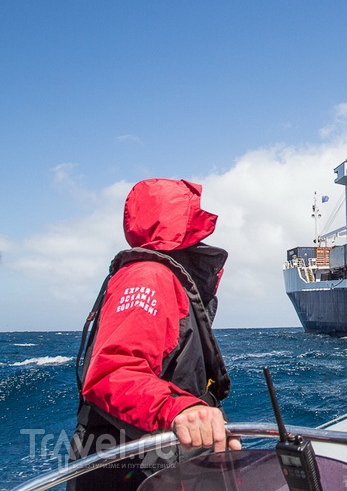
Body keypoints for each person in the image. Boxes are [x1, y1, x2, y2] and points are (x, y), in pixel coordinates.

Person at [68, 179, 240, 490]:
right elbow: (113, 370)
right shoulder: (149, 276)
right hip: (138, 467)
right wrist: (180, 409)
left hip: (163, 456)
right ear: (180, 220)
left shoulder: (160, 273)